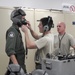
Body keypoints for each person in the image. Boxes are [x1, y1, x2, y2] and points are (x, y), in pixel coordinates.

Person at [5, 8, 27, 75]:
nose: (24, 20)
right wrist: (17, 69)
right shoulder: (12, 31)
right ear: (17, 19)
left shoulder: (17, 31)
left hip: (20, 65)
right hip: (16, 68)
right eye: (23, 18)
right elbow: (10, 50)